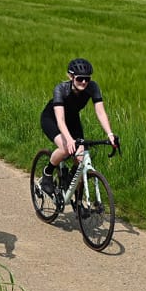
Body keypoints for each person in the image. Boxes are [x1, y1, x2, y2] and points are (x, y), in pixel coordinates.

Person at [37, 57, 119, 196]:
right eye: (80, 78)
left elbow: (100, 112)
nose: (84, 82)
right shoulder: (61, 89)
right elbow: (60, 120)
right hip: (52, 119)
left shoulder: (93, 87)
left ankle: (69, 182)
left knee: (80, 156)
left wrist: (110, 134)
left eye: (87, 79)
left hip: (73, 119)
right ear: (71, 76)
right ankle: (47, 173)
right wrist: (69, 140)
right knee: (65, 149)